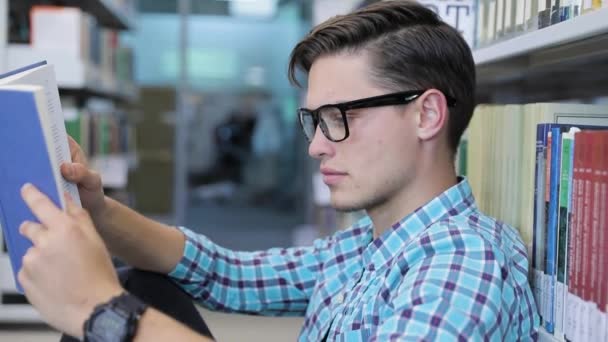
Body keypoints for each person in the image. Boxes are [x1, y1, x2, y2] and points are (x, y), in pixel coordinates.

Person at [16, 1, 539, 341]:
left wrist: (101, 309)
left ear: (426, 115)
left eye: (339, 118)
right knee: (147, 285)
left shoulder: (463, 267)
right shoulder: (371, 243)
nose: (315, 146)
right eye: (313, 120)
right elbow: (226, 274)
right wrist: (99, 210)